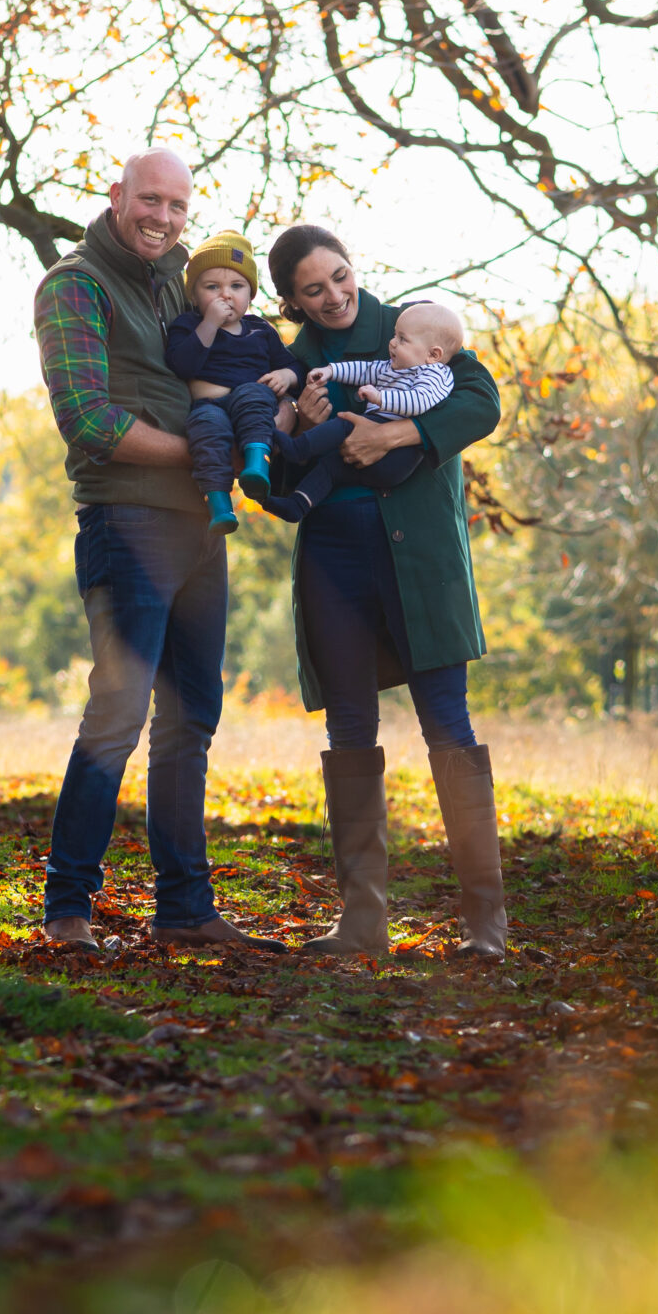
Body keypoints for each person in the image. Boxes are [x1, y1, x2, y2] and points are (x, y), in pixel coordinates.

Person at [31, 149, 282, 951]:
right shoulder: (74, 284)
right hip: (128, 520)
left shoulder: (187, 279)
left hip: (202, 529)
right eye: (150, 200)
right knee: (117, 716)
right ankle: (68, 908)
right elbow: (89, 419)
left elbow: (238, 356)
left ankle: (184, 911)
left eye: (177, 205)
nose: (164, 218)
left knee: (190, 720)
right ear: (116, 196)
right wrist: (199, 456)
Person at [266, 224, 508, 959]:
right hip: (334, 562)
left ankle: (484, 924)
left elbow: (480, 400)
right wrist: (296, 431)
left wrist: (397, 437)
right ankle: (363, 920)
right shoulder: (289, 361)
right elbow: (273, 477)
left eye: (341, 275)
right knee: (349, 728)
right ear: (292, 300)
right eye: (315, 288)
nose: (336, 294)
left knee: (447, 722)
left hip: (418, 559)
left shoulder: (409, 327)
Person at [259, 302, 461, 522]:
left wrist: (380, 398)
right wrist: (330, 371)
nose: (392, 343)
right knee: (330, 466)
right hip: (380, 451)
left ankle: (297, 448)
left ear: (433, 354)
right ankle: (296, 505)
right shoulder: (393, 367)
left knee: (345, 424)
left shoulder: (435, 374)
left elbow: (419, 402)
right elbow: (364, 369)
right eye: (395, 335)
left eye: (403, 339)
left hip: (398, 456)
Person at [162, 229, 301, 535]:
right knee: (206, 435)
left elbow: (293, 365)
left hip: (249, 401)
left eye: (237, 286)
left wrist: (285, 375)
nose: (225, 294)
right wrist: (209, 324)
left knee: (254, 397)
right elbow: (182, 365)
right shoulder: (188, 325)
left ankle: (256, 464)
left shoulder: (260, 330)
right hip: (209, 407)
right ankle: (220, 505)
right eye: (212, 287)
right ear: (194, 296)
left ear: (250, 296)